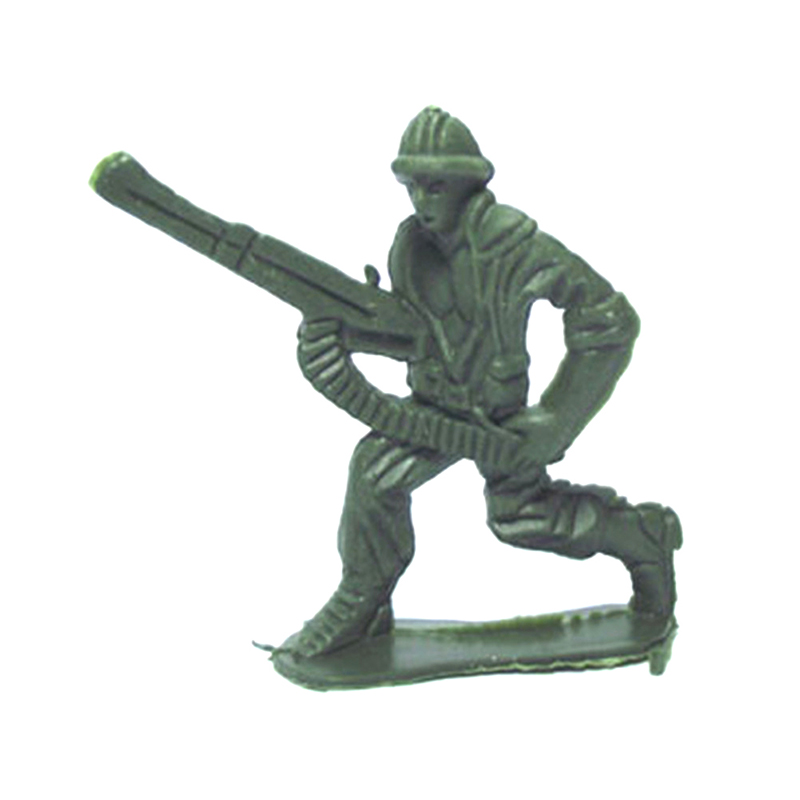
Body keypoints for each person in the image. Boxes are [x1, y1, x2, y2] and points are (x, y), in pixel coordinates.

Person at [292, 107, 681, 658]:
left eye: (435, 186)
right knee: (375, 475)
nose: (421, 201)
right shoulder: (411, 246)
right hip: (433, 411)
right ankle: (364, 599)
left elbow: (608, 321)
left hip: (502, 422)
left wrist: (556, 420)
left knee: (520, 517)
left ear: (467, 183)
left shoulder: (513, 245)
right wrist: (341, 339)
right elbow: (416, 335)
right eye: (412, 187)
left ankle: (642, 537)